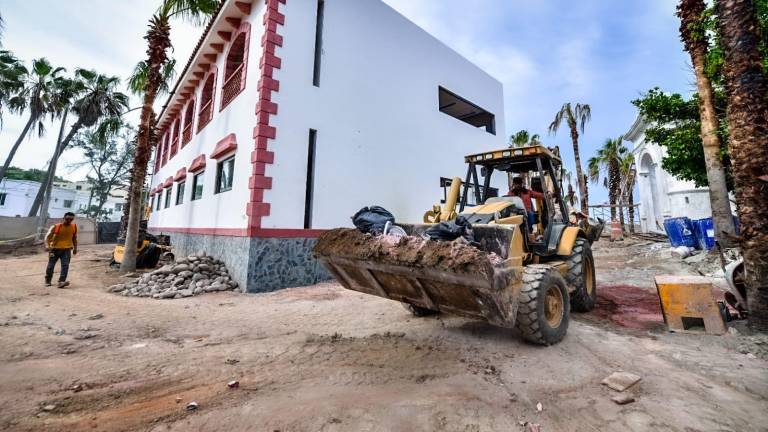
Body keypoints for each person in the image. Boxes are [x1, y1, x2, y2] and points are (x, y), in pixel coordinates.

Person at [45, 212, 78, 288]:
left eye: (71, 219)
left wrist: (75, 248)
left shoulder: (73, 227)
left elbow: (74, 238)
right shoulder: (56, 226)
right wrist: (47, 245)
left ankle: (61, 281)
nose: (69, 220)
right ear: (63, 218)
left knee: (65, 265)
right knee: (51, 265)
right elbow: (47, 237)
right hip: (54, 250)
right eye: (67, 219)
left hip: (66, 250)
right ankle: (48, 280)